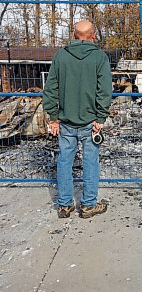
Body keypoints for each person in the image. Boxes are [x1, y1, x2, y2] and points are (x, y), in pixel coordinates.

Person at [43, 20, 112, 219]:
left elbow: (51, 89)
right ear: (93, 36)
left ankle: (64, 205)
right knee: (90, 162)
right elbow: (105, 90)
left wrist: (53, 118)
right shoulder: (99, 58)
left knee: (64, 161)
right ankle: (89, 205)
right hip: (91, 123)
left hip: (65, 122)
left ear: (74, 35)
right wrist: (101, 116)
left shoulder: (61, 56)